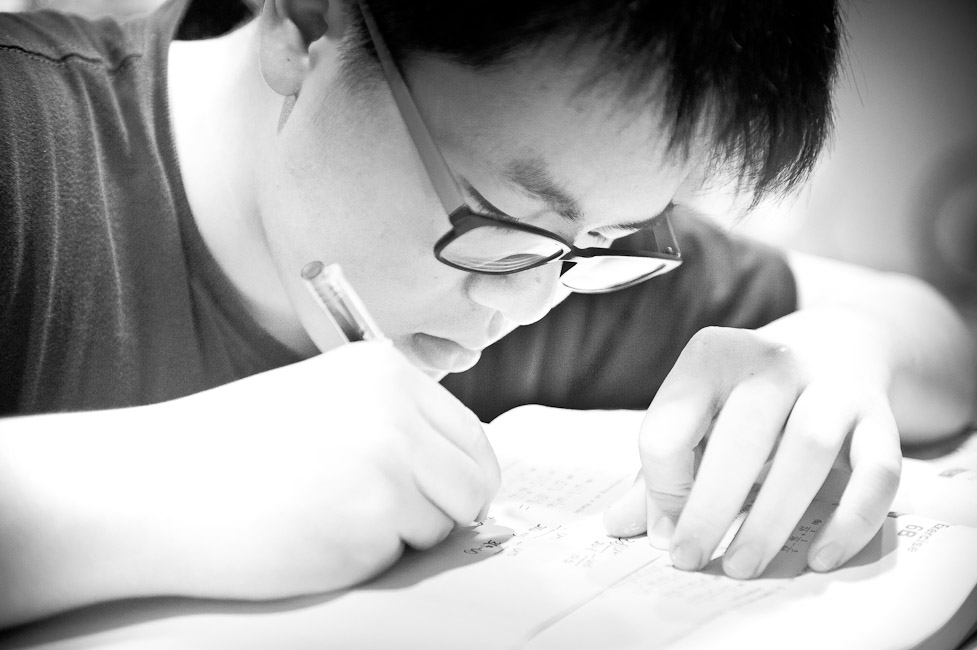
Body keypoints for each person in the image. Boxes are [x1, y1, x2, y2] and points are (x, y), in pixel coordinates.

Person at [0, 0, 974, 630]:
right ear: (307, 25)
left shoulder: (565, 264)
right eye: (506, 219)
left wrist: (840, 351)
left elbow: (941, 341)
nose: (526, 300)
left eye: (603, 238)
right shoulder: (28, 152)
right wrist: (147, 488)